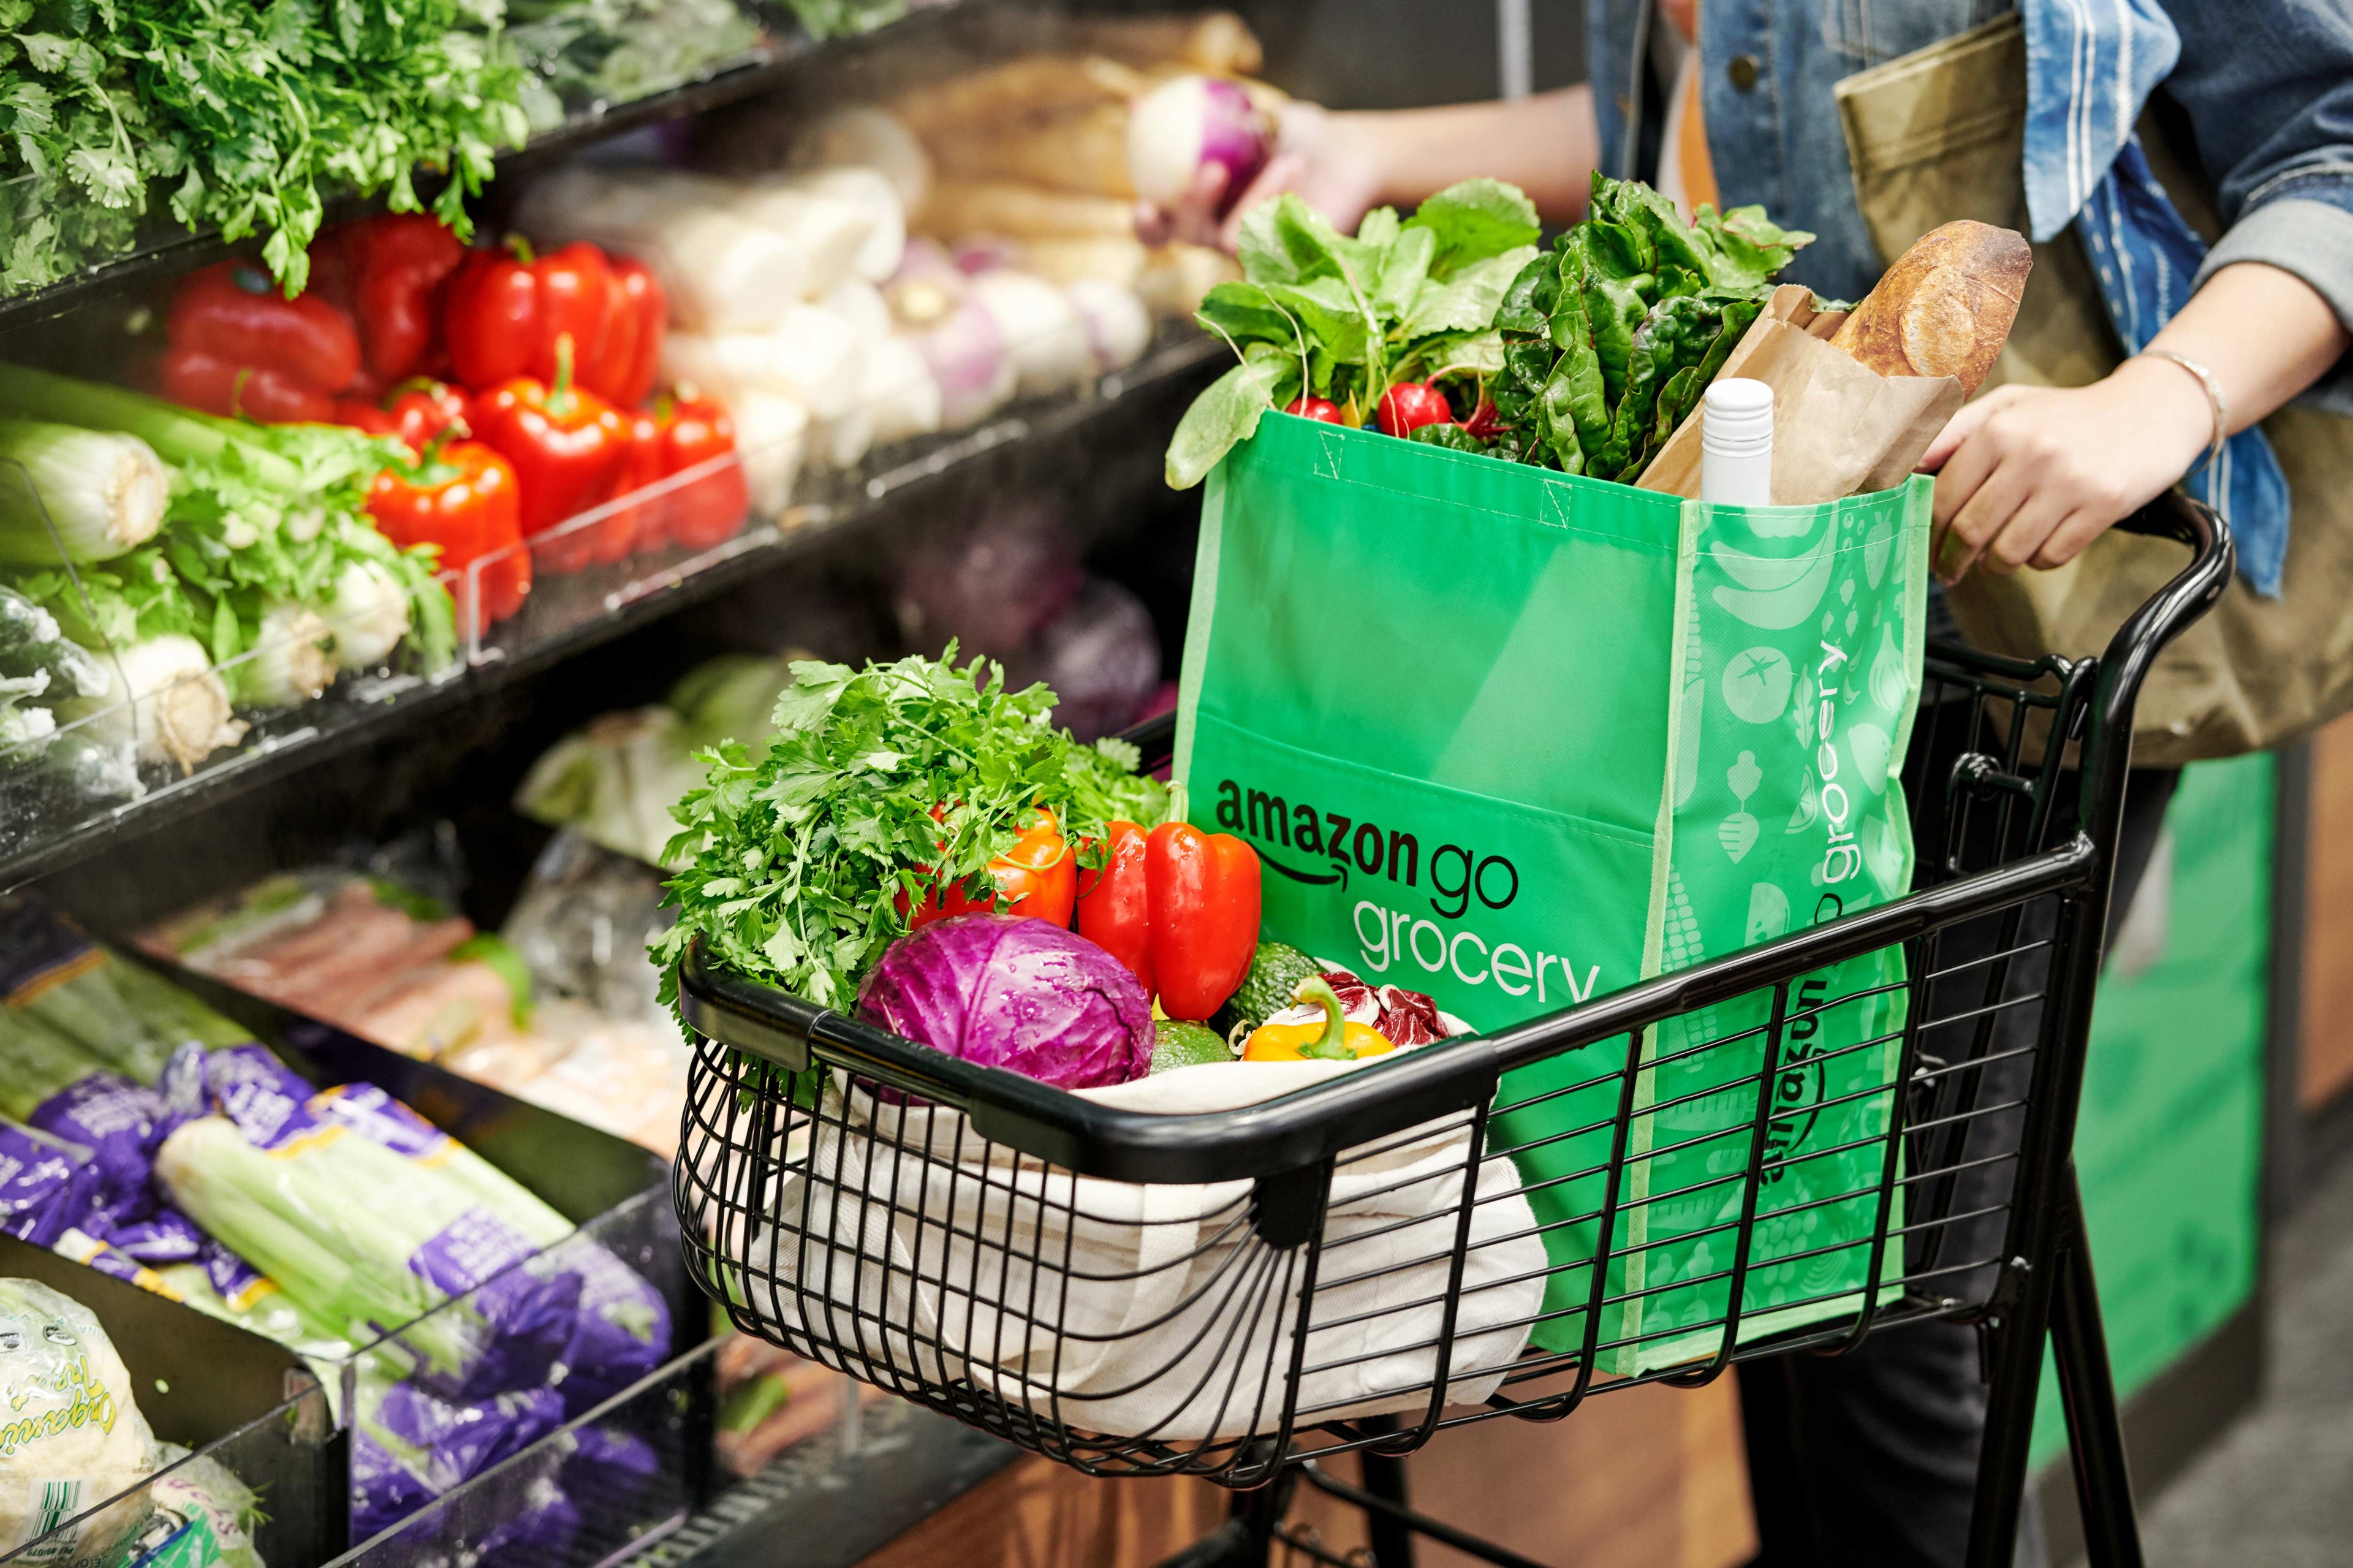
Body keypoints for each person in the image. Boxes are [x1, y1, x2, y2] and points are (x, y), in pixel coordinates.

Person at [1140, 2, 2353, 1564]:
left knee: (1890, 1285)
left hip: (2003, 659)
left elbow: (2332, 136)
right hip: (1741, 637)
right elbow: (1713, 126)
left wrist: (2159, 402)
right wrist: (1383, 151)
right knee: (1767, 1255)